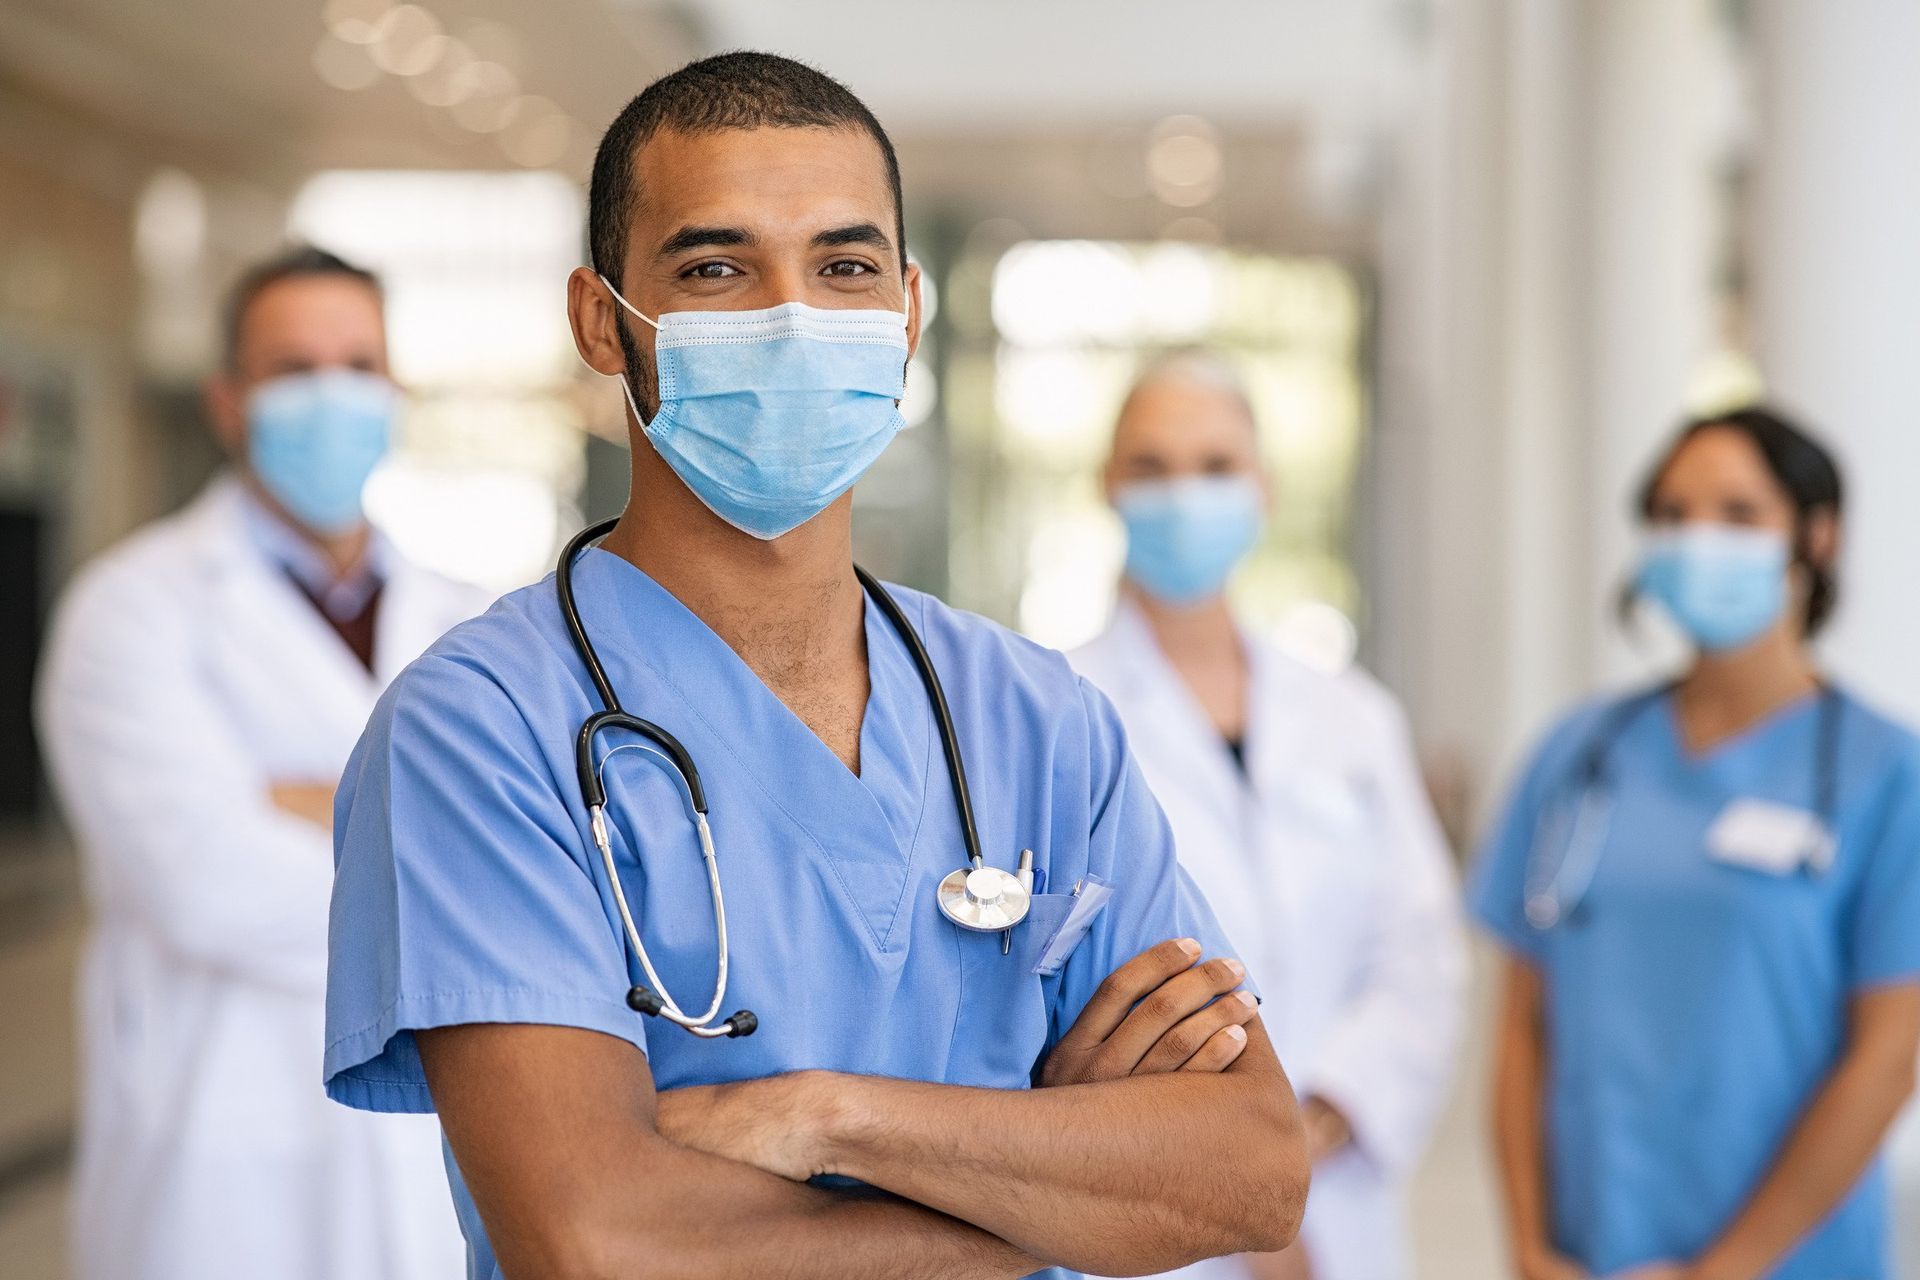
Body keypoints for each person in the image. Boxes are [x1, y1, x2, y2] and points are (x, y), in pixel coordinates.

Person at [321, 51, 1309, 1280]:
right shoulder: (482, 730)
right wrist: (1049, 1194)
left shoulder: (1034, 717)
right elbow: (596, 1239)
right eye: (716, 268)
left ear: (904, 311)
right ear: (600, 321)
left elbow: (1253, 1170)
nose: (793, 317)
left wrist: (831, 1114)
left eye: (842, 266)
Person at [35, 247, 483, 1279]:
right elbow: (209, 883)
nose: (333, 392)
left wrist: (312, 805)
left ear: (395, 390)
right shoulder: (132, 611)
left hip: (435, 1159)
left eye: (357, 363)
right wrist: (448, 839)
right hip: (221, 1158)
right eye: (293, 368)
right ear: (229, 401)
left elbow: (559, 867)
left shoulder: (470, 617)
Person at [1471, 407, 1920, 1280]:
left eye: (1738, 515)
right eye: (1672, 516)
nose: (1696, 541)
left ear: (1816, 538)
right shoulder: (1579, 755)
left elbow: (1891, 1056)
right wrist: (1529, 1245)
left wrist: (1721, 1272)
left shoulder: (1886, 775)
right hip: (1587, 1256)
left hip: (1791, 1263)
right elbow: (1522, 1028)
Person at [1070, 352, 1467, 1280]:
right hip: (1145, 1205)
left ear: (1263, 490)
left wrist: (1309, 1127)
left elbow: (1419, 954)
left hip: (1344, 1196)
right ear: (1107, 486)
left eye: (1215, 467)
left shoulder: (1352, 719)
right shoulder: (1052, 709)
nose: (1185, 496)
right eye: (1152, 467)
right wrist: (1226, 1159)